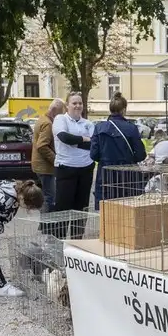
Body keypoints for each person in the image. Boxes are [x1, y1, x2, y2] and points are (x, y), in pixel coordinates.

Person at [91, 93, 147, 209]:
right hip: (128, 175)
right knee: (128, 209)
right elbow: (141, 154)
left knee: (107, 209)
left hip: (106, 173)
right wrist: (129, 159)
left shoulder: (99, 127)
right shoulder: (131, 128)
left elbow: (94, 154)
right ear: (124, 110)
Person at [53, 93, 95, 238]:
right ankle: (59, 241)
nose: (78, 106)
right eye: (74, 103)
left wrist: (76, 143)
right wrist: (84, 139)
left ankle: (77, 241)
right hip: (66, 168)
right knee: (63, 208)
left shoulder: (88, 123)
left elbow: (95, 145)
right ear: (67, 105)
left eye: (80, 103)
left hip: (85, 169)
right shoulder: (60, 119)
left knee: (81, 208)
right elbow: (64, 138)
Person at [32, 98, 65, 214]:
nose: (61, 117)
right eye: (61, 113)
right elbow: (42, 146)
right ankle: (47, 224)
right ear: (54, 110)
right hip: (45, 167)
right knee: (49, 197)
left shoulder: (42, 119)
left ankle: (44, 225)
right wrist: (55, 159)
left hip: (40, 165)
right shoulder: (47, 123)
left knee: (46, 195)